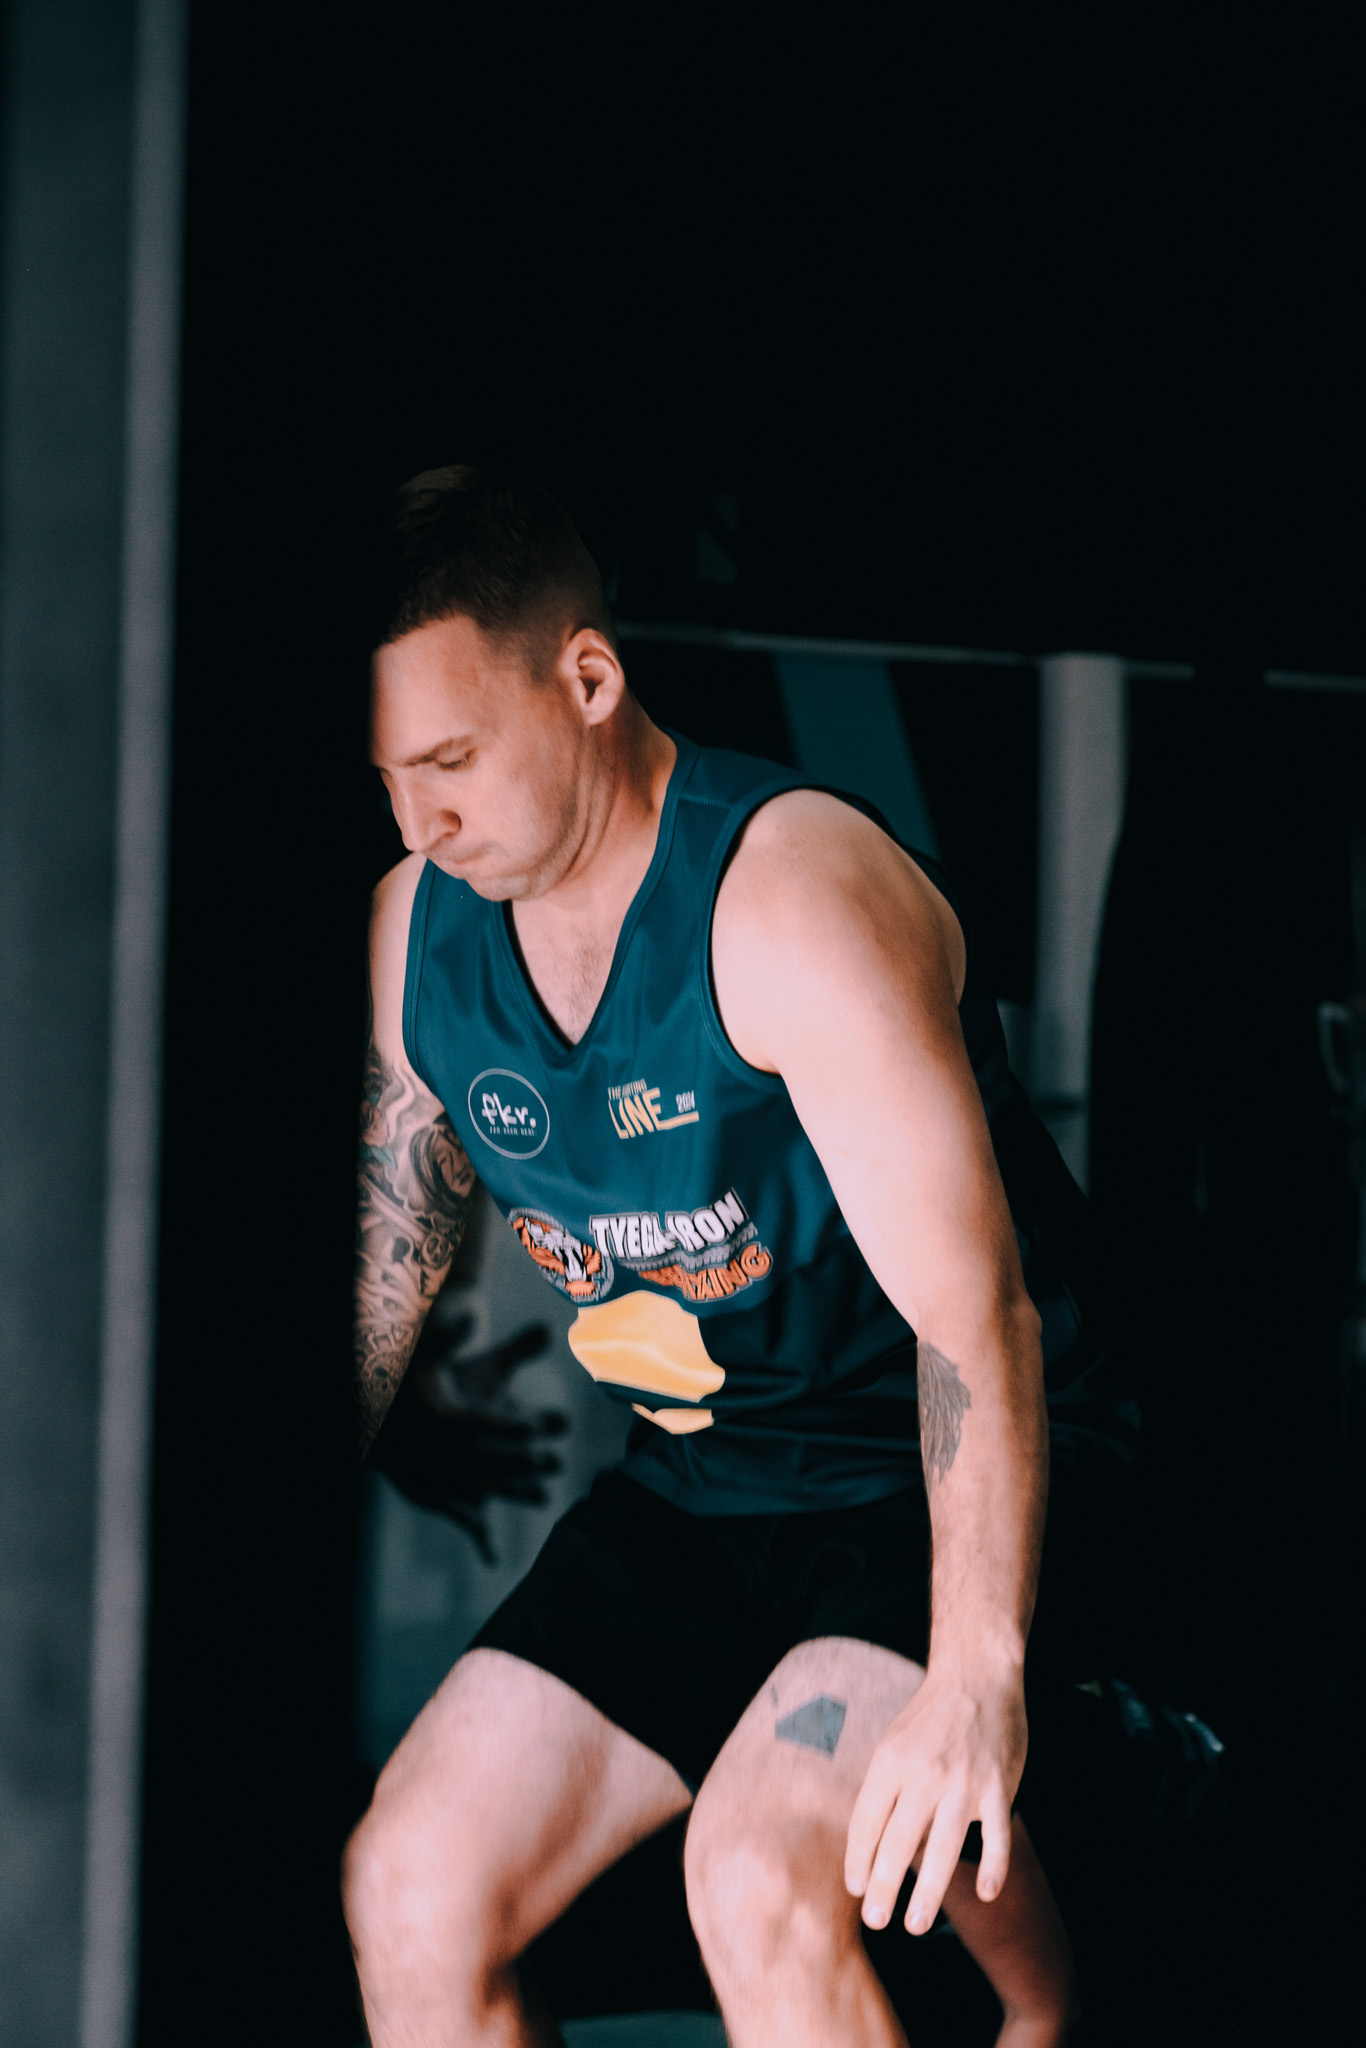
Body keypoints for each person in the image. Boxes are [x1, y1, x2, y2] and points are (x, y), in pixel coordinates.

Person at [344, 466, 1085, 2046]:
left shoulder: (785, 903)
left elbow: (975, 1322)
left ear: (586, 679)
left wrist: (972, 1676)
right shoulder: (418, 931)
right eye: (391, 775)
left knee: (753, 1879)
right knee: (408, 1886)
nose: (420, 822)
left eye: (452, 761)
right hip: (706, 1488)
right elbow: (367, 1304)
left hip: (936, 1474)